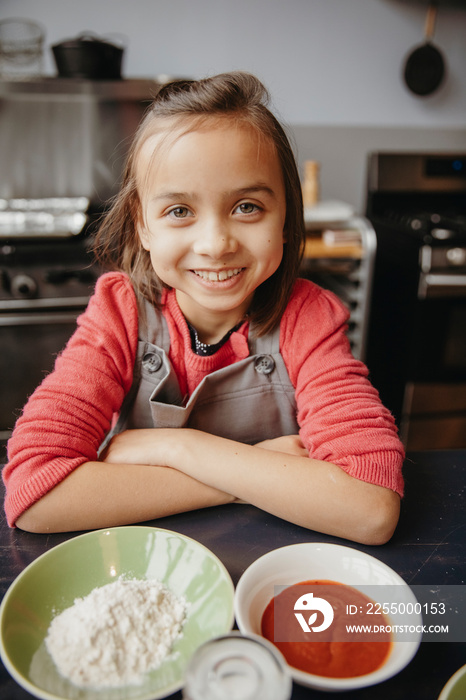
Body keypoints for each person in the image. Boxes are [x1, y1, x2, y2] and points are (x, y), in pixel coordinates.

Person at [3, 72, 404, 543]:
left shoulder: (307, 318)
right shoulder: (120, 311)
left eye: (247, 207)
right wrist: (248, 478)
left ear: (286, 221)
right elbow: (34, 493)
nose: (215, 244)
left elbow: (370, 505)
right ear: (143, 225)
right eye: (179, 211)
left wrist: (175, 447)